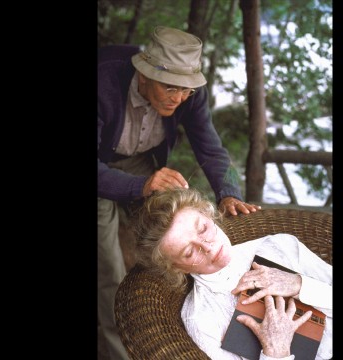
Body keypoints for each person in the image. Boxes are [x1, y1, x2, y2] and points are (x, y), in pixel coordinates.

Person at [97, 26, 261, 359]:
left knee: (173, 244)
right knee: (108, 267)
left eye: (186, 90)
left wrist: (228, 193)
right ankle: (118, 349)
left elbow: (211, 150)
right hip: (100, 165)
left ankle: (173, 325)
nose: (179, 98)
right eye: (170, 87)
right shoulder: (103, 81)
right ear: (143, 75)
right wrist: (139, 186)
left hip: (145, 163)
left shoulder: (189, 93)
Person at [133, 188, 333, 360]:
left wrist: (299, 284)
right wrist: (275, 351)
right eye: (189, 252)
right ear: (177, 268)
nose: (208, 248)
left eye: (203, 229)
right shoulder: (202, 320)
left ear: (209, 214)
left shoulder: (279, 245)